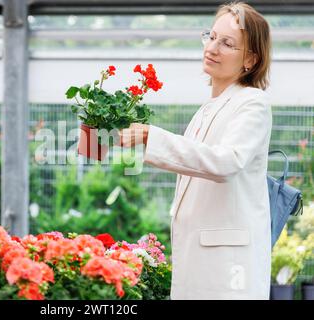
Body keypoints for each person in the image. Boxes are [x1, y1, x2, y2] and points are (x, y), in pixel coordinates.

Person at [118, 1, 272, 299]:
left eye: (227, 43)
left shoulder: (253, 103)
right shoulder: (205, 110)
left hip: (228, 270)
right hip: (198, 260)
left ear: (250, 60)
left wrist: (152, 135)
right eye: (211, 36)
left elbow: (227, 162)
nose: (212, 48)